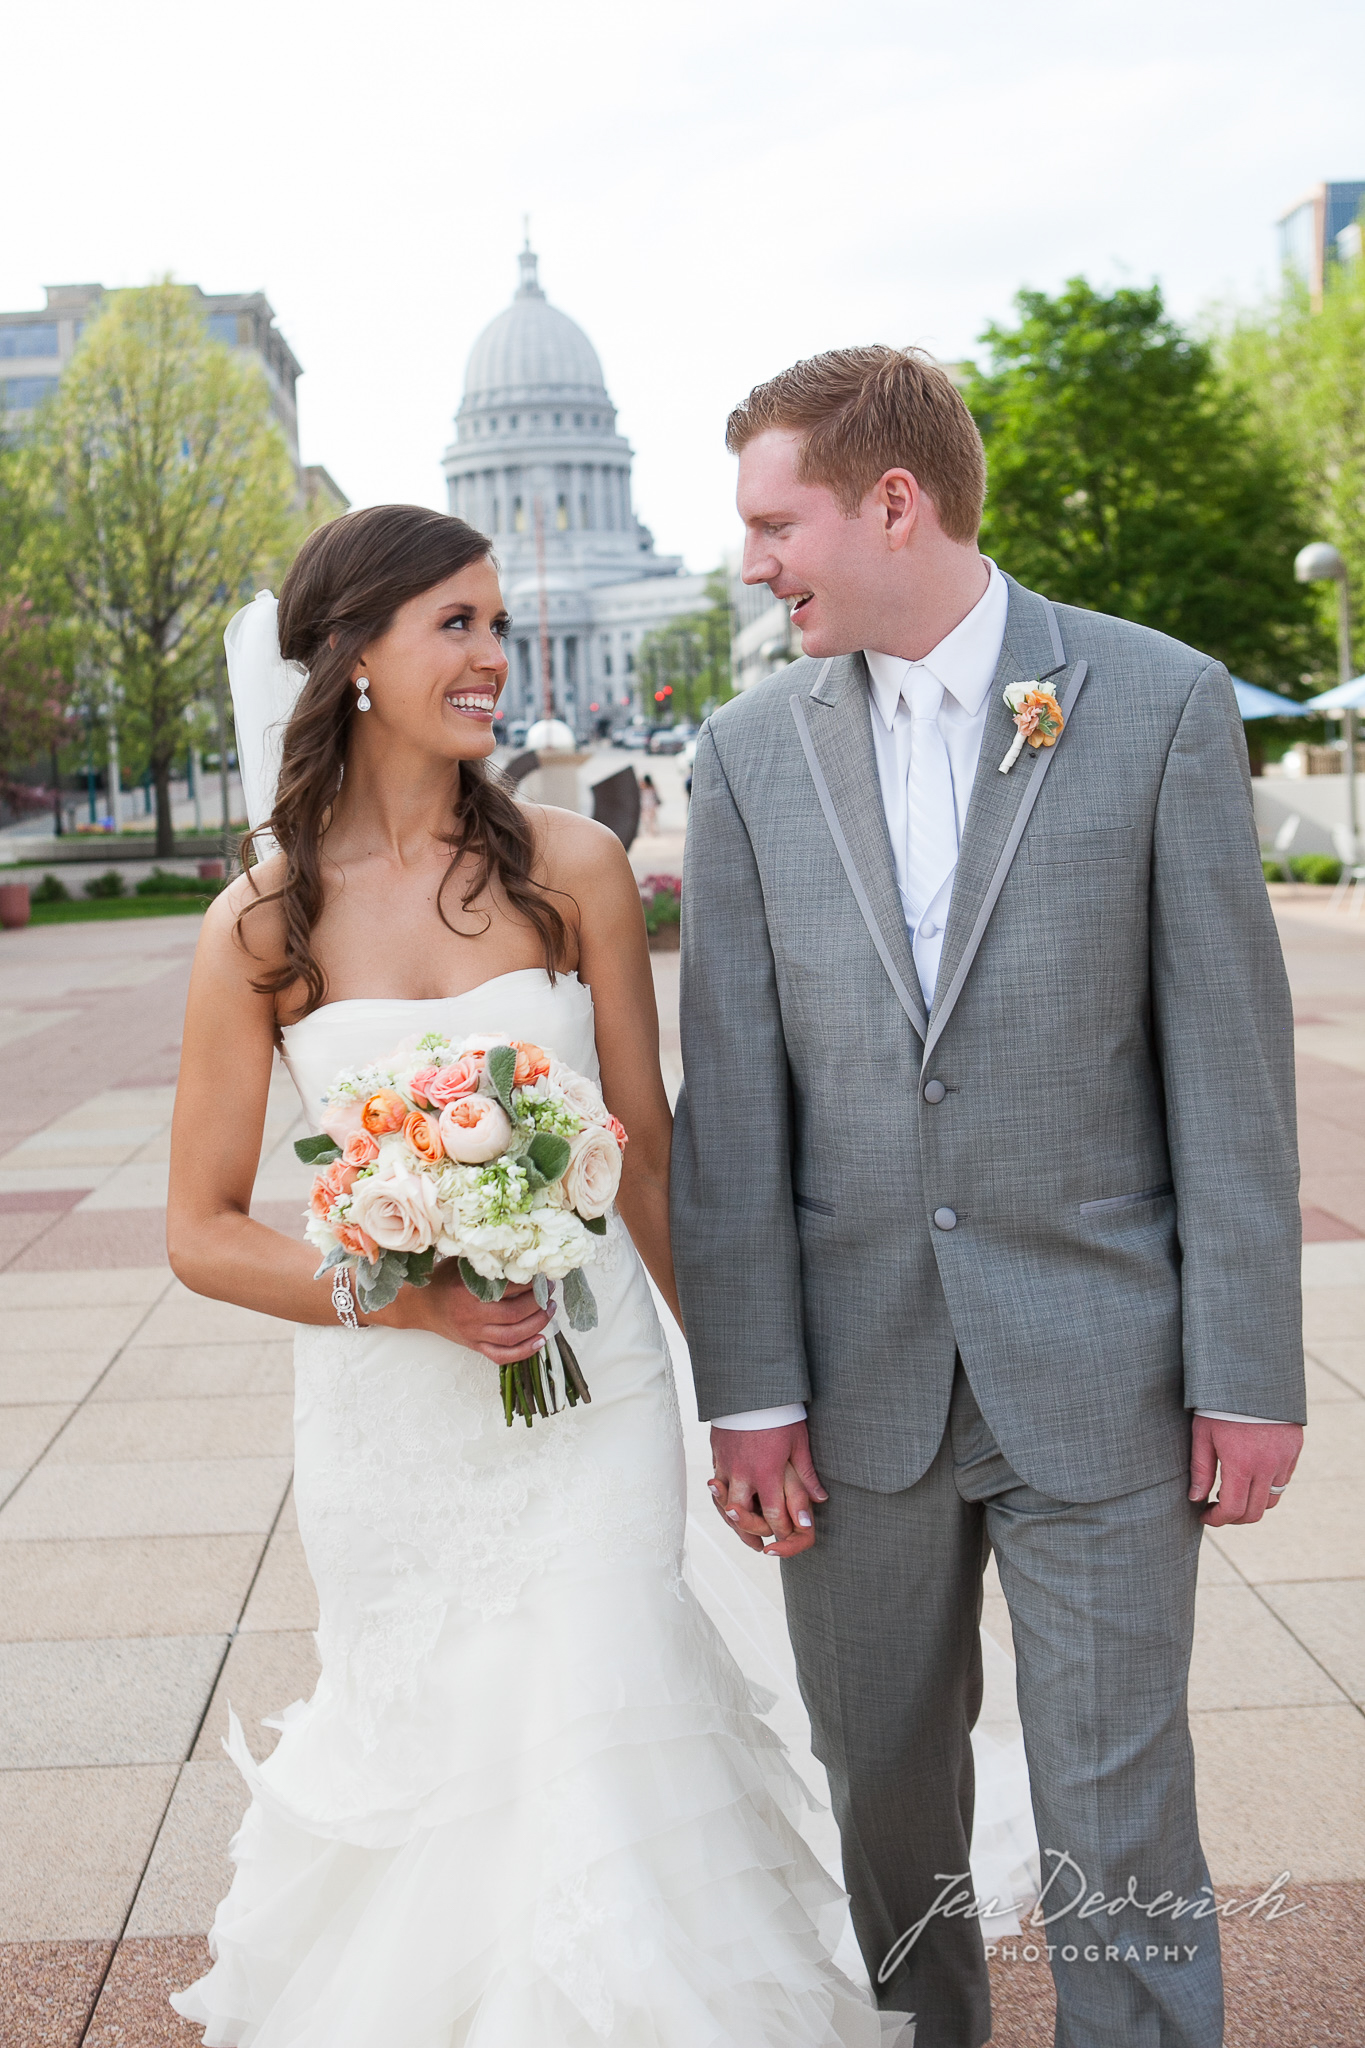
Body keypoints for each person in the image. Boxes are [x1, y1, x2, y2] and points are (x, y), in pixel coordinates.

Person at [165, 504, 910, 2045]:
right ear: (355, 653)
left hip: (600, 1397)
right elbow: (204, 1228)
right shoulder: (263, 916)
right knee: (448, 1756)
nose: (496, 656)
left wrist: (750, 1391)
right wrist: (405, 1291)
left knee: (597, 1717)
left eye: (498, 624)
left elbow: (643, 1157)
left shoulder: (573, 866)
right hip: (392, 1423)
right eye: (457, 624)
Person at [671, 348, 1306, 2048]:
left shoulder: (1158, 702)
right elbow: (729, 1111)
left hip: (1101, 1369)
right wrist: (748, 1392)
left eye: (771, 521)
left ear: (893, 503)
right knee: (882, 1796)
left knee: (1117, 1807)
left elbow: (1229, 1073)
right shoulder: (740, 758)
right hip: (851, 1385)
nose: (750, 564)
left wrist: (1247, 1369)